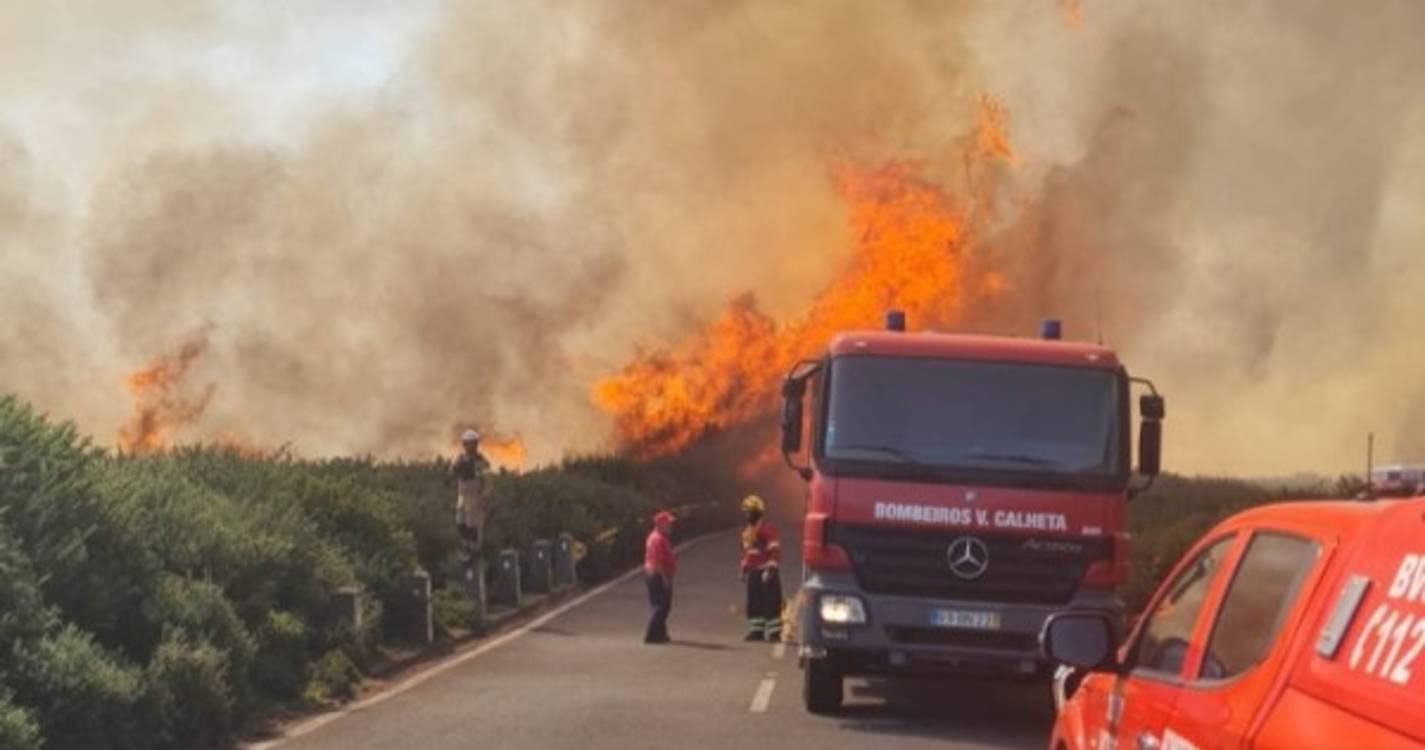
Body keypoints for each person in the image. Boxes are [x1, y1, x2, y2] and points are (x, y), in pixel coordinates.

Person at [739, 495, 782, 642]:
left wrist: (770, 568)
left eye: (749, 512)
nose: (747, 515)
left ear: (758, 512)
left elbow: (774, 550)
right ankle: (756, 631)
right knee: (754, 602)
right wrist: (744, 567)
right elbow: (747, 552)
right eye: (745, 512)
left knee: (771, 602)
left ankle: (775, 633)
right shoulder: (747, 532)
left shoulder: (767, 529)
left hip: (766, 571)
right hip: (754, 571)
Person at [452, 429, 490, 559]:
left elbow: (486, 479)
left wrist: (485, 496)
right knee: (460, 521)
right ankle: (465, 546)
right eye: (466, 443)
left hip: (474, 493)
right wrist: (458, 465)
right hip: (462, 492)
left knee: (472, 523)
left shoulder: (480, 460)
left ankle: (474, 549)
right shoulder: (460, 458)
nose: (469, 446)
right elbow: (453, 472)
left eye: (471, 443)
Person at [644, 510, 677, 644]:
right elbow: (658, 561)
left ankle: (661, 633)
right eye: (668, 524)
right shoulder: (658, 539)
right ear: (661, 524)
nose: (670, 526)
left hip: (655, 573)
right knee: (661, 605)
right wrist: (665, 578)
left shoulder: (657, 537)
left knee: (662, 605)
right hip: (657, 574)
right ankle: (651, 633)